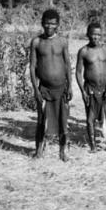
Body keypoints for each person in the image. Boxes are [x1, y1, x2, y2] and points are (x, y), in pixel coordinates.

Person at [29, 9, 73, 161]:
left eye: (53, 23)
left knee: (63, 121)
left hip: (61, 88)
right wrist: (36, 90)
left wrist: (71, 86)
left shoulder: (62, 41)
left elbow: (67, 64)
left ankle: (64, 151)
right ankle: (39, 150)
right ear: (42, 23)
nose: (49, 26)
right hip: (44, 89)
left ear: (58, 25)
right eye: (47, 23)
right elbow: (32, 67)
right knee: (41, 120)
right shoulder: (37, 42)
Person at [76, 22, 106, 153]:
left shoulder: (105, 50)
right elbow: (78, 72)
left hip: (104, 89)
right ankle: (93, 146)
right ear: (88, 35)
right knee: (90, 119)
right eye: (93, 34)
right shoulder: (83, 52)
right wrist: (82, 91)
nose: (95, 37)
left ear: (101, 35)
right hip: (90, 89)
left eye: (98, 34)